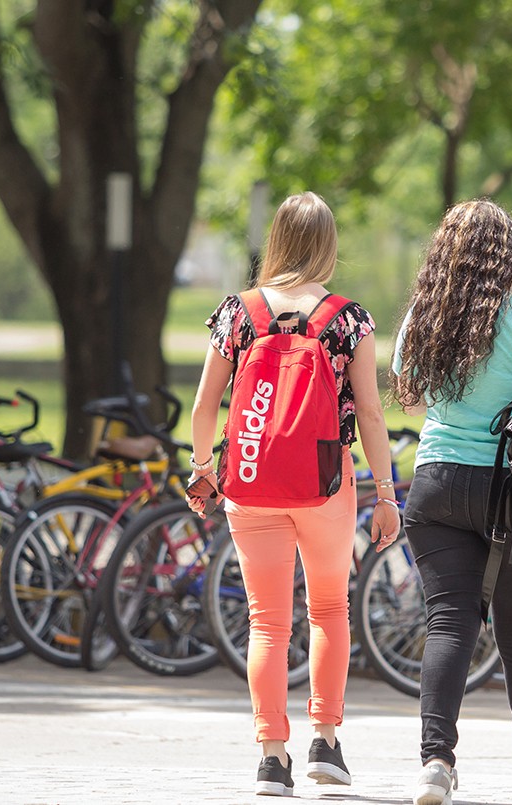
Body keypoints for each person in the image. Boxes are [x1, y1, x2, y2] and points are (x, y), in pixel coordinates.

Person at [185, 191, 401, 797]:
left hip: (250, 480)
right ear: (328, 244)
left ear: (276, 240)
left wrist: (204, 468)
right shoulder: (348, 319)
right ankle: (325, 743)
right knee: (329, 609)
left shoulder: (239, 312)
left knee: (266, 622)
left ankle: (270, 758)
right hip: (326, 484)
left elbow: (204, 406)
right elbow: (372, 415)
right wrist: (386, 494)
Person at [392, 199, 512, 805]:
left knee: (448, 621)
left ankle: (435, 764)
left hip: (437, 483)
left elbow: (411, 398)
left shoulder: (425, 312)